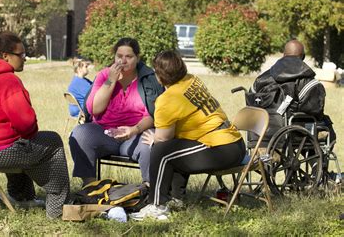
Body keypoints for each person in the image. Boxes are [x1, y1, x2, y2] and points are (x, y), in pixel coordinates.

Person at [0, 31, 70, 218]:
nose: (25, 59)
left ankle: (21, 196)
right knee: (52, 141)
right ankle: (58, 207)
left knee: (18, 140)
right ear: (5, 56)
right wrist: (26, 130)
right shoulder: (8, 81)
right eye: (21, 55)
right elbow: (27, 125)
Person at [130, 50, 245, 221]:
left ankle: (157, 206)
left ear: (159, 76)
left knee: (161, 151)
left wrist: (155, 139)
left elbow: (164, 138)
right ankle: (177, 200)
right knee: (175, 147)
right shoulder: (191, 79)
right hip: (235, 143)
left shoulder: (167, 99)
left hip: (218, 148)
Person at [69, 37, 164, 186]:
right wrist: (111, 81)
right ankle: (90, 186)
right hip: (104, 133)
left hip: (135, 133)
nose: (123, 61)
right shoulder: (104, 75)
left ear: (137, 58)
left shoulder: (147, 79)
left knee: (149, 144)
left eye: (129, 57)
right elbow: (94, 109)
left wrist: (134, 130)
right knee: (79, 133)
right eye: (119, 56)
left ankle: (149, 190)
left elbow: (154, 115)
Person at [249, 39, 335, 146]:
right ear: (303, 57)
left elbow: (250, 101)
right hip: (293, 132)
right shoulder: (308, 81)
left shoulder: (262, 78)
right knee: (326, 124)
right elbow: (315, 110)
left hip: (259, 131)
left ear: (284, 55)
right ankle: (316, 161)